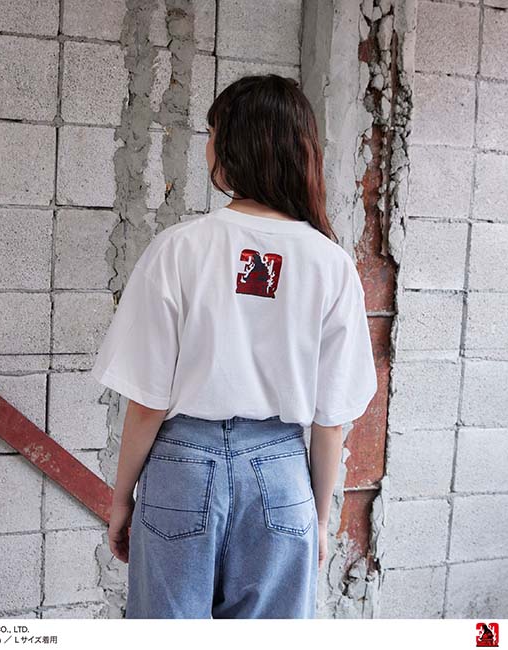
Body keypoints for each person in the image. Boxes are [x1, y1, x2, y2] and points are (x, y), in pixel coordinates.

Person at [90, 74, 378, 619]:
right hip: (282, 475)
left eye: (212, 133)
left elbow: (148, 401)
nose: (207, 146)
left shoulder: (179, 249)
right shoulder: (332, 264)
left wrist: (122, 498)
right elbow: (330, 420)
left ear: (234, 147)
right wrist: (317, 520)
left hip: (181, 469)